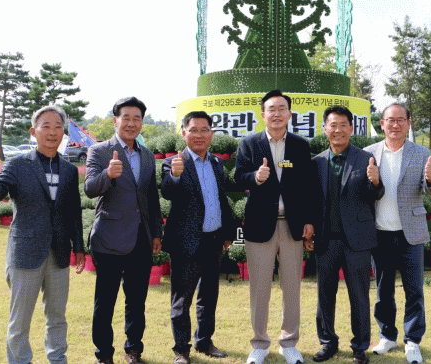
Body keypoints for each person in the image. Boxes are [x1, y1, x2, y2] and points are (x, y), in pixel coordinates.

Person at [0, 105, 85, 364]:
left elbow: (73, 211)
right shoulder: (18, 164)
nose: (52, 132)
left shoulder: (69, 170)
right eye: (45, 126)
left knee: (57, 317)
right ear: (33, 131)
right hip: (26, 253)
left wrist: (79, 247)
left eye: (58, 127)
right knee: (20, 320)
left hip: (59, 253)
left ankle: (57, 359)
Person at [234, 89, 315, 364]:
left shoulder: (300, 145)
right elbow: (238, 177)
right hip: (260, 226)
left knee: (292, 287)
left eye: (282, 108)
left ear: (289, 114)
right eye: (271, 109)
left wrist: (309, 220)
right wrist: (255, 177)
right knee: (260, 289)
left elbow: (308, 185)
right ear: (263, 114)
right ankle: (259, 344)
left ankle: (289, 343)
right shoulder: (249, 144)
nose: (277, 113)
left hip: (292, 227)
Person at [84, 96, 163, 364]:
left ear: (142, 122)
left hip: (141, 238)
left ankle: (134, 350)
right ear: (115, 121)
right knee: (105, 301)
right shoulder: (99, 151)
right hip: (108, 238)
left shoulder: (147, 155)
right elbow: (90, 189)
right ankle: (104, 354)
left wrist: (156, 233)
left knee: (137, 301)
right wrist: (107, 175)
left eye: (136, 118)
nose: (131, 123)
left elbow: (151, 197)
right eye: (126, 117)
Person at [364, 104, 431, 364]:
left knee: (414, 290)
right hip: (380, 232)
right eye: (390, 120)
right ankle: (387, 336)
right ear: (382, 123)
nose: (395, 125)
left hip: (411, 233)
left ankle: (413, 341)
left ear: (408, 123)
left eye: (400, 120)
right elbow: (363, 193)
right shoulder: (369, 153)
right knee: (383, 290)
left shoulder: (421, 153)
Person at [310, 106, 384, 364]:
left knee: (359, 296)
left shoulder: (365, 159)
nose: (338, 130)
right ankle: (327, 342)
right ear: (325, 129)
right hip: (325, 241)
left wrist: (375, 181)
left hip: (357, 241)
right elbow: (311, 200)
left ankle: (360, 346)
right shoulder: (317, 162)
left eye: (343, 124)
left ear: (351, 129)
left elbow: (375, 195)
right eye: (333, 125)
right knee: (324, 296)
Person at [161, 111, 236, 364]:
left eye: (205, 130)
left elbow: (221, 200)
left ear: (211, 134)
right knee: (182, 299)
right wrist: (175, 175)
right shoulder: (173, 162)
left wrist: (227, 233)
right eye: (193, 130)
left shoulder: (216, 163)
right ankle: (181, 349)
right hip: (186, 242)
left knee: (209, 295)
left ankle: (204, 341)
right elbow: (167, 192)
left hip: (213, 240)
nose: (199, 135)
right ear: (184, 133)